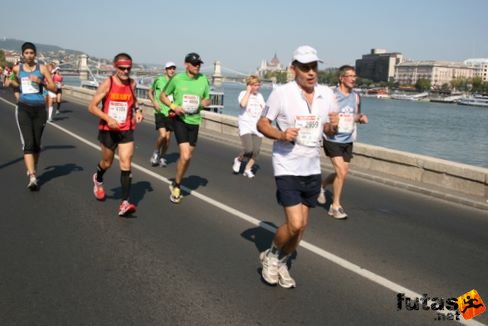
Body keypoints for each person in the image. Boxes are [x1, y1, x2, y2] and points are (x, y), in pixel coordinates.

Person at [257, 45, 339, 288]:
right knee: (295, 224)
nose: (311, 72)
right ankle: (272, 255)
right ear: (294, 69)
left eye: (314, 67)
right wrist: (282, 135)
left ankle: (282, 260)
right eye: (305, 68)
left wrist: (333, 126)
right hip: (287, 166)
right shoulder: (281, 93)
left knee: (302, 228)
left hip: (312, 168)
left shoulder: (327, 94)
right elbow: (262, 124)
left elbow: (327, 130)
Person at [88, 53, 144, 216]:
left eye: (128, 68)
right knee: (107, 163)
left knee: (126, 163)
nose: (126, 72)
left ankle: (124, 203)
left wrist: (138, 111)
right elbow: (92, 107)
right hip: (108, 130)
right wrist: (107, 118)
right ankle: (98, 178)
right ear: (115, 67)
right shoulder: (108, 83)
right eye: (122, 68)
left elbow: (134, 101)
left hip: (126, 128)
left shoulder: (132, 84)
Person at [317, 65, 368, 219]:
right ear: (341, 78)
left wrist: (361, 118)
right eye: (350, 76)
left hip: (348, 139)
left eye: (355, 76)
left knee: (343, 173)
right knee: (341, 171)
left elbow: (356, 114)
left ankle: (322, 185)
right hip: (332, 138)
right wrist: (331, 123)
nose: (353, 79)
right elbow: (323, 116)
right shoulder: (332, 96)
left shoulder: (357, 97)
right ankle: (335, 206)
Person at [160, 52, 210, 204]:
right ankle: (177, 187)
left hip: (195, 121)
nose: (197, 66)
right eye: (194, 64)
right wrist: (174, 106)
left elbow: (207, 98)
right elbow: (163, 96)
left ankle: (176, 181)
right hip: (180, 119)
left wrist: (204, 103)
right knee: (186, 155)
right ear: (186, 64)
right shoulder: (177, 79)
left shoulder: (203, 79)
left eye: (199, 64)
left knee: (187, 157)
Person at [8, 42, 56, 190]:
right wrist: (12, 82)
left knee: (36, 143)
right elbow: (9, 80)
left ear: (35, 54)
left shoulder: (41, 68)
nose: (29, 55)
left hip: (39, 109)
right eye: (26, 53)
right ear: (23, 54)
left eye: (31, 53)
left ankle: (32, 167)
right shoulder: (17, 68)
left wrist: (40, 81)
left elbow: (53, 87)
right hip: (24, 108)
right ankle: (33, 176)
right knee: (28, 143)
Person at [232, 75, 266, 178]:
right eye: (255, 85)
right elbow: (242, 104)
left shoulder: (260, 96)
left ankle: (248, 168)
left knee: (256, 152)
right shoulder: (243, 94)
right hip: (245, 125)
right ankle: (238, 160)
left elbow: (265, 110)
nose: (257, 87)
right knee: (248, 150)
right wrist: (248, 92)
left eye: (258, 85)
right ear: (249, 85)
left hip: (257, 127)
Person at [147, 61, 177, 167]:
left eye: (173, 68)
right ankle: (156, 152)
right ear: (165, 70)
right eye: (169, 68)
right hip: (159, 111)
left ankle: (162, 157)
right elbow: (149, 92)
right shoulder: (159, 80)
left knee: (168, 138)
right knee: (163, 135)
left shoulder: (176, 82)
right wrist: (154, 102)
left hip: (170, 113)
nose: (172, 70)